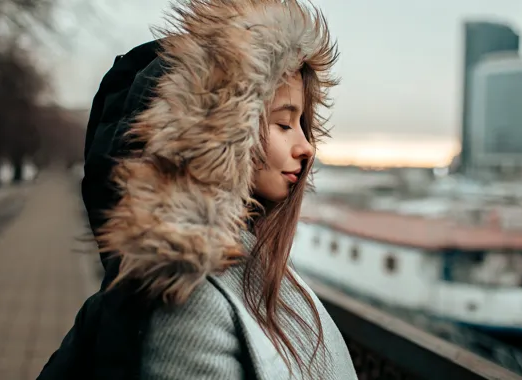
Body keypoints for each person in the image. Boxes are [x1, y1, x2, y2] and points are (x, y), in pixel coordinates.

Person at [38, 0, 357, 379]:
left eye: (303, 125)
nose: (306, 147)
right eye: (284, 124)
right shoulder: (190, 299)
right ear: (217, 133)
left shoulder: (256, 265)